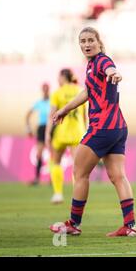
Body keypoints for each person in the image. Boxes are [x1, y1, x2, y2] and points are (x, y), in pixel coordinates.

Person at [49, 27, 136, 237]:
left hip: (102, 127)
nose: (87, 44)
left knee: (79, 173)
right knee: (118, 176)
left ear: (99, 42)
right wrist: (65, 109)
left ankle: (74, 223)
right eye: (83, 41)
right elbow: (88, 91)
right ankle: (130, 225)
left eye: (91, 40)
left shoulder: (101, 61)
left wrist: (114, 74)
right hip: (118, 128)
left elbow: (110, 69)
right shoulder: (91, 65)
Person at [46, 69, 86, 204]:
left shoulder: (57, 93)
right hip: (78, 132)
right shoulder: (80, 90)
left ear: (63, 77)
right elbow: (85, 114)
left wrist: (47, 133)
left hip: (61, 133)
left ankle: (58, 194)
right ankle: (77, 196)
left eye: (59, 77)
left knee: (56, 162)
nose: (58, 79)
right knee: (78, 166)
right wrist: (86, 130)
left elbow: (51, 115)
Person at [25, 83, 50, 186]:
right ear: (42, 90)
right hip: (42, 128)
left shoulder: (53, 100)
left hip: (51, 127)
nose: (45, 91)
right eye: (44, 89)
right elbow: (28, 114)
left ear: (48, 90)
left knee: (53, 153)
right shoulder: (38, 103)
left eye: (46, 89)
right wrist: (28, 128)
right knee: (39, 154)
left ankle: (53, 179)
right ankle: (37, 178)